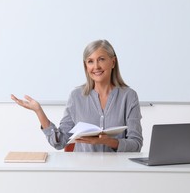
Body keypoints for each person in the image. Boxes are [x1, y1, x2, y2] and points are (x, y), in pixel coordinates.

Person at [11, 39, 143, 152]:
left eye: (101, 59)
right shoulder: (76, 97)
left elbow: (136, 145)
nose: (96, 66)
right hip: (84, 172)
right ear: (86, 66)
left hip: (119, 172)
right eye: (90, 61)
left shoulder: (129, 96)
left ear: (113, 62)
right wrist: (38, 111)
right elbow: (59, 142)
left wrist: (109, 142)